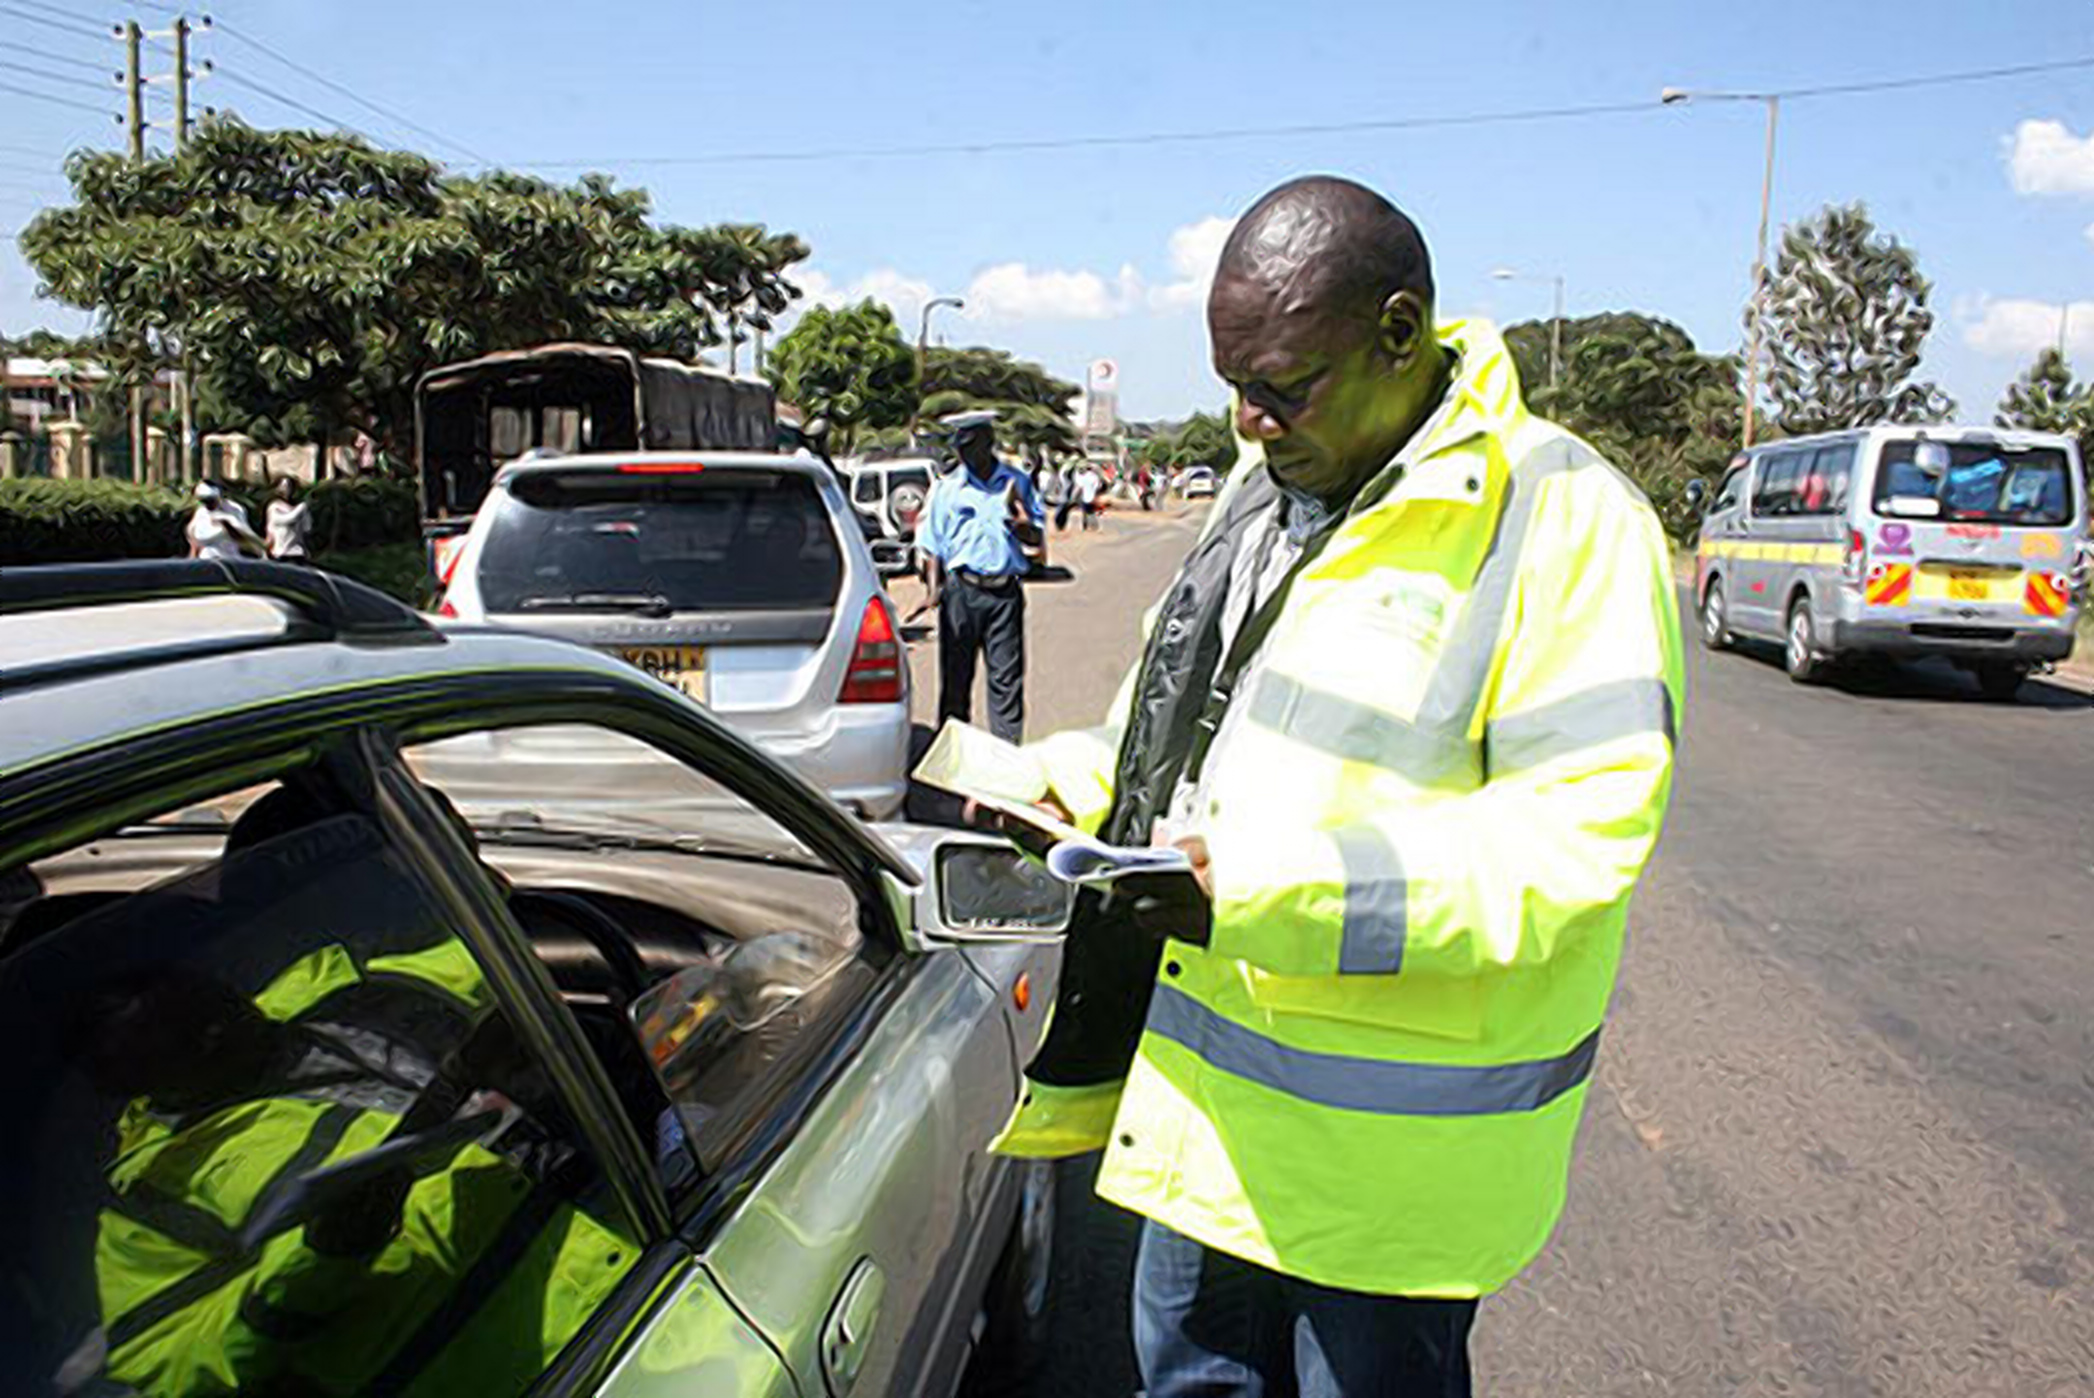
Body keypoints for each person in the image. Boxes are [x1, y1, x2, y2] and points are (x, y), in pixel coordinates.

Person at [989, 177, 1683, 1396]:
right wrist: (1045, 786)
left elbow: (1572, 847)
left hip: (1391, 1179)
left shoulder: (1566, 520)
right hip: (1211, 1136)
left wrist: (1258, 890)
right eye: (1234, 389)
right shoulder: (1265, 501)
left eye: (1283, 386)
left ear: (1400, 333)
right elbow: (1173, 732)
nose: (1250, 422)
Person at [918, 410, 1045, 742]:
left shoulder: (1017, 483)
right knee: (956, 681)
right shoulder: (948, 489)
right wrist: (934, 593)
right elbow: (933, 546)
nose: (964, 455)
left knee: (1006, 682)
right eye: (960, 448)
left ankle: (1005, 762)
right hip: (962, 593)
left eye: (971, 446)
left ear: (989, 443)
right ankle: (952, 763)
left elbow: (1036, 539)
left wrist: (1023, 527)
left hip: (1004, 595)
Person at [185, 481, 263, 561]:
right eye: (203, 501)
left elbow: (245, 536)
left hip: (230, 558)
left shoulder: (234, 510)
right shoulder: (201, 513)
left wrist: (228, 525)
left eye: (210, 501)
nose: (208, 505)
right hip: (208, 559)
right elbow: (195, 541)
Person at [265, 477, 313, 563]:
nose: (286, 489)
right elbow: (287, 520)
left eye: (288, 486)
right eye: (283, 485)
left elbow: (307, 528)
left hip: (297, 552)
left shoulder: (299, 508)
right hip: (281, 552)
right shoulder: (274, 507)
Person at [1075, 461, 1103, 530]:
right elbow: (1098, 487)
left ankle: (1085, 526)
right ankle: (1095, 526)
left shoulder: (1082, 477)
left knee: (1084, 512)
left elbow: (1080, 486)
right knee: (1092, 512)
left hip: (1085, 496)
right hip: (1092, 497)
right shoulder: (1094, 477)